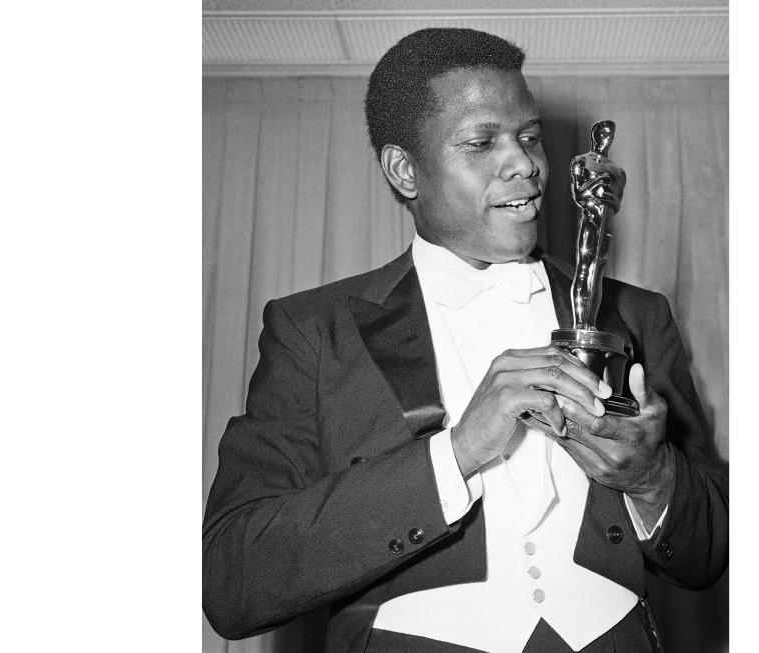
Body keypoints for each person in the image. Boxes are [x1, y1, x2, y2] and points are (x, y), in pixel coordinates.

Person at [203, 27, 728, 653]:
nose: (526, 163)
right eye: (482, 142)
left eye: (529, 137)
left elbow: (708, 553)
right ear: (405, 171)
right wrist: (454, 455)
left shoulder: (637, 316)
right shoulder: (314, 329)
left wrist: (652, 479)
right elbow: (232, 580)